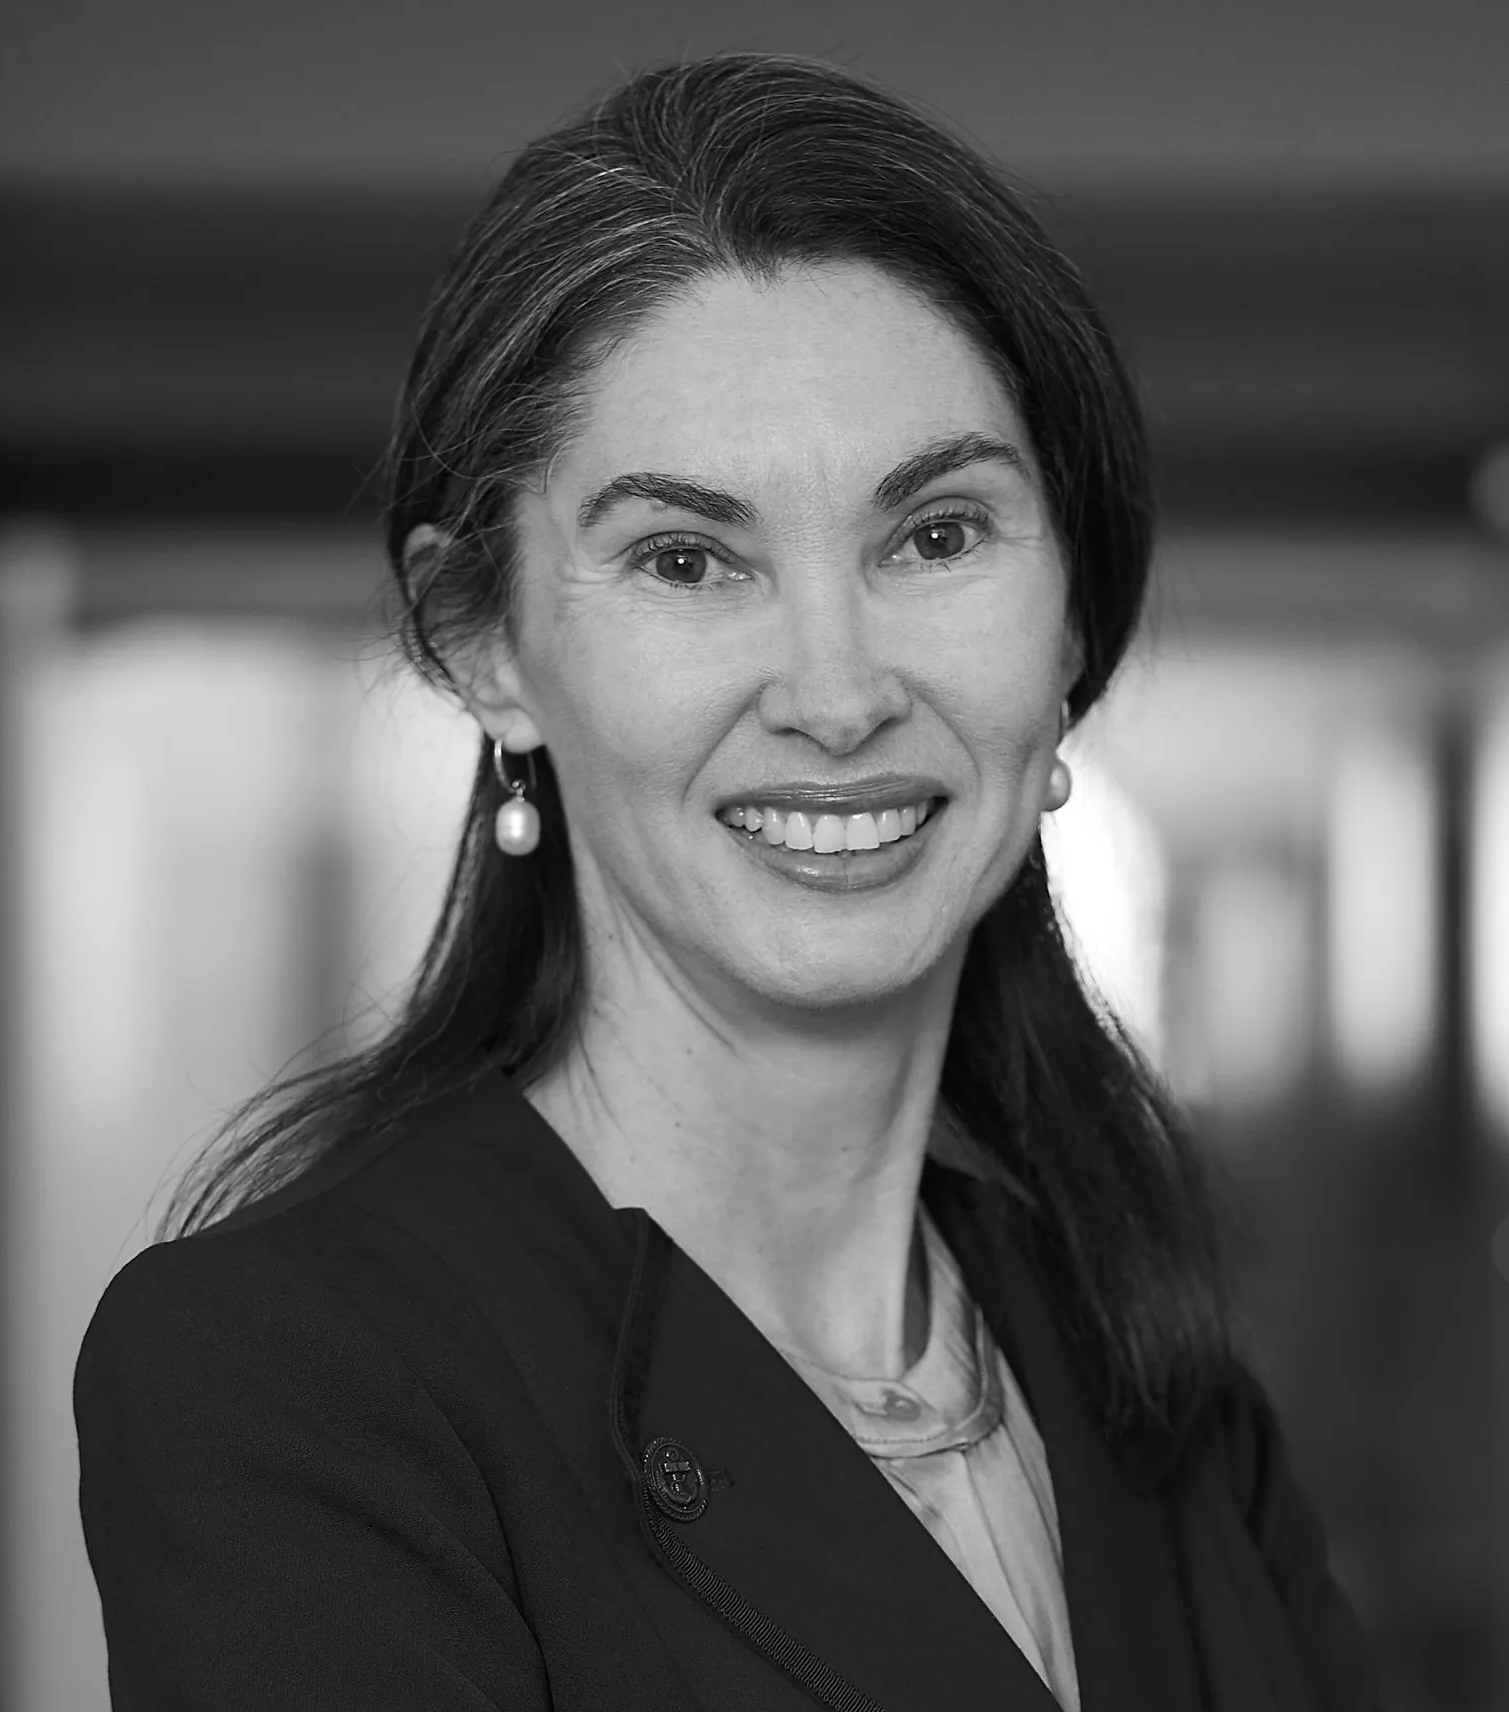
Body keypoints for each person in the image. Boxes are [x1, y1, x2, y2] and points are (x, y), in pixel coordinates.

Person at [74, 52, 1382, 1712]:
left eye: (936, 537)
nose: (837, 693)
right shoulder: (294, 1373)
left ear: (1071, 627)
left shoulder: (1147, 1370)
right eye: (689, 559)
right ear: (484, 646)